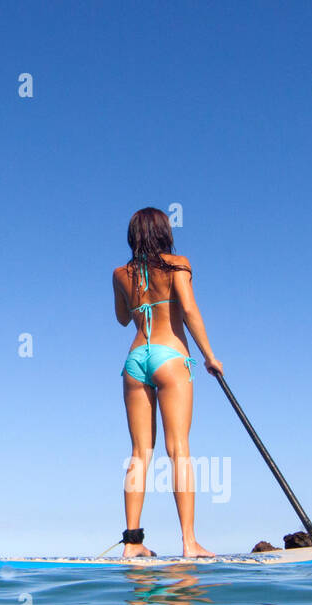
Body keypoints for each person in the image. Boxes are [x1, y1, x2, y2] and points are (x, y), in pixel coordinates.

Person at [112, 207, 223, 558]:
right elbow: (189, 311)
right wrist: (209, 356)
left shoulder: (119, 274)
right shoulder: (178, 265)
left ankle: (132, 544)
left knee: (139, 453)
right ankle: (189, 542)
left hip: (135, 361)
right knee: (179, 452)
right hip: (171, 356)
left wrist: (138, 294)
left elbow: (121, 319)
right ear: (164, 232)